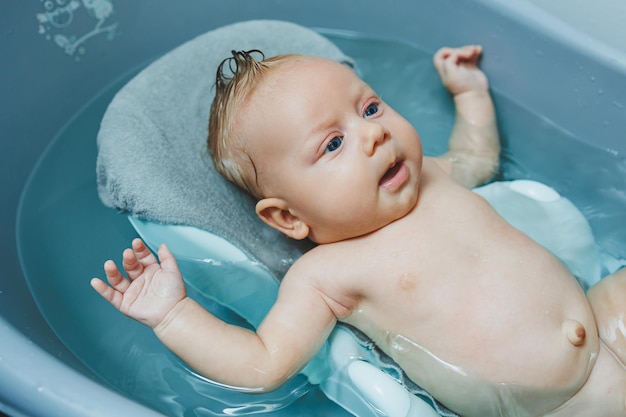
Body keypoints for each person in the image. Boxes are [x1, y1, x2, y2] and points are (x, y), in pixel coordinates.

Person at [91, 45, 626, 416]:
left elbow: (476, 157)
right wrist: (173, 315)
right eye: (332, 144)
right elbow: (263, 364)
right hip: (556, 407)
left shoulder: (431, 176)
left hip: (602, 318)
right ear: (287, 218)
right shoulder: (326, 275)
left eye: (369, 107)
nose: (373, 134)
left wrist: (469, 95)